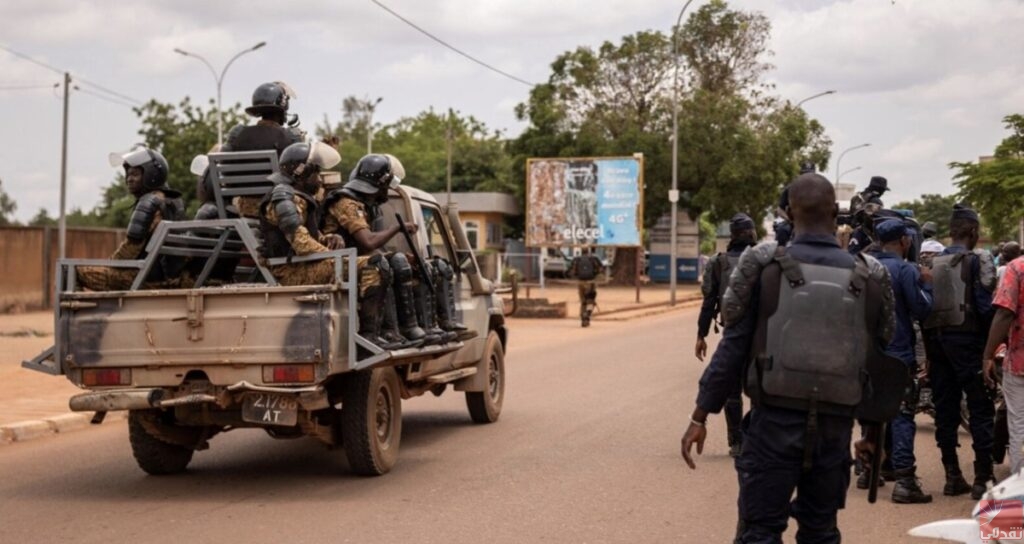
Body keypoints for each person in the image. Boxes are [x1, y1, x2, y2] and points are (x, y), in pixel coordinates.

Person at [680, 173, 895, 542]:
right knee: (820, 531)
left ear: (789, 213)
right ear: (836, 213)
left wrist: (700, 415)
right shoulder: (870, 275)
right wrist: (872, 433)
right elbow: (879, 361)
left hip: (771, 427)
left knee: (760, 531)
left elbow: (731, 349)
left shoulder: (764, 268)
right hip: (834, 430)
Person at [922, 204, 997, 499]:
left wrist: (928, 351)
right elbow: (985, 308)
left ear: (952, 233)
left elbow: (925, 310)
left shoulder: (933, 262)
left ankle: (952, 475)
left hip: (938, 345)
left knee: (945, 410)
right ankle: (982, 478)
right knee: (979, 408)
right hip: (969, 344)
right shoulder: (979, 260)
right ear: (974, 232)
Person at [320, 153, 433, 349]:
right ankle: (375, 333)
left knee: (400, 261)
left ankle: (404, 329)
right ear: (380, 185)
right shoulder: (347, 203)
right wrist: (398, 228)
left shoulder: (365, 204)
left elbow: (367, 246)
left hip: (354, 258)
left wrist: (402, 257)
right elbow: (368, 241)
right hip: (336, 262)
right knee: (383, 265)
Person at [866, 219, 935, 503]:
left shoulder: (864, 267)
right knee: (902, 413)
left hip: (868, 353)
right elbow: (921, 309)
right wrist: (928, 287)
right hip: (898, 353)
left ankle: (868, 470)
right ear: (904, 241)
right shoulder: (905, 270)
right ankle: (905, 481)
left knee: (871, 409)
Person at [77, 146, 185, 291]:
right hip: (167, 276)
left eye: (135, 174)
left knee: (72, 271)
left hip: (144, 278)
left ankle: (79, 313)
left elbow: (128, 252)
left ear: (151, 174)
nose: (129, 179)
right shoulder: (174, 201)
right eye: (128, 174)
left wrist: (107, 265)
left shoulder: (149, 202)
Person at [695, 212, 757, 458]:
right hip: (761, 336)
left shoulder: (718, 263)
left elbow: (708, 302)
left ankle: (736, 441)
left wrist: (701, 335)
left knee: (732, 393)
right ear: (752, 234)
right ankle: (753, 439)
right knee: (759, 391)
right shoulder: (765, 260)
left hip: (732, 334)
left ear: (731, 236)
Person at [258, 141, 344, 286]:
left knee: (384, 263)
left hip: (303, 266)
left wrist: (327, 239)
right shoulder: (283, 197)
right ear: (302, 172)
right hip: (291, 271)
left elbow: (307, 236)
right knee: (373, 267)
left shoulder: (297, 198)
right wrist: (335, 257)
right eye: (316, 173)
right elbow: (302, 245)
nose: (319, 179)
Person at [223, 81, 303, 217]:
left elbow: (225, 168)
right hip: (274, 209)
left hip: (242, 208)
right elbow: (299, 176)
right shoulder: (290, 137)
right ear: (283, 108)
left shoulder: (236, 134)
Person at [984, 249, 1024, 474]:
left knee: (1019, 426)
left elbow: (1004, 314)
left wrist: (988, 355)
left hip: (1019, 364)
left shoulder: (1017, 269)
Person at [568, 248, 604, 327]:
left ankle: (583, 317)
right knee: (590, 300)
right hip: (591, 282)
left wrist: (577, 276)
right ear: (588, 251)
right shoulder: (593, 259)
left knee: (583, 301)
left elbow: (571, 272)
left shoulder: (577, 260)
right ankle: (587, 315)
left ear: (581, 251)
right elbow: (601, 269)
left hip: (580, 282)